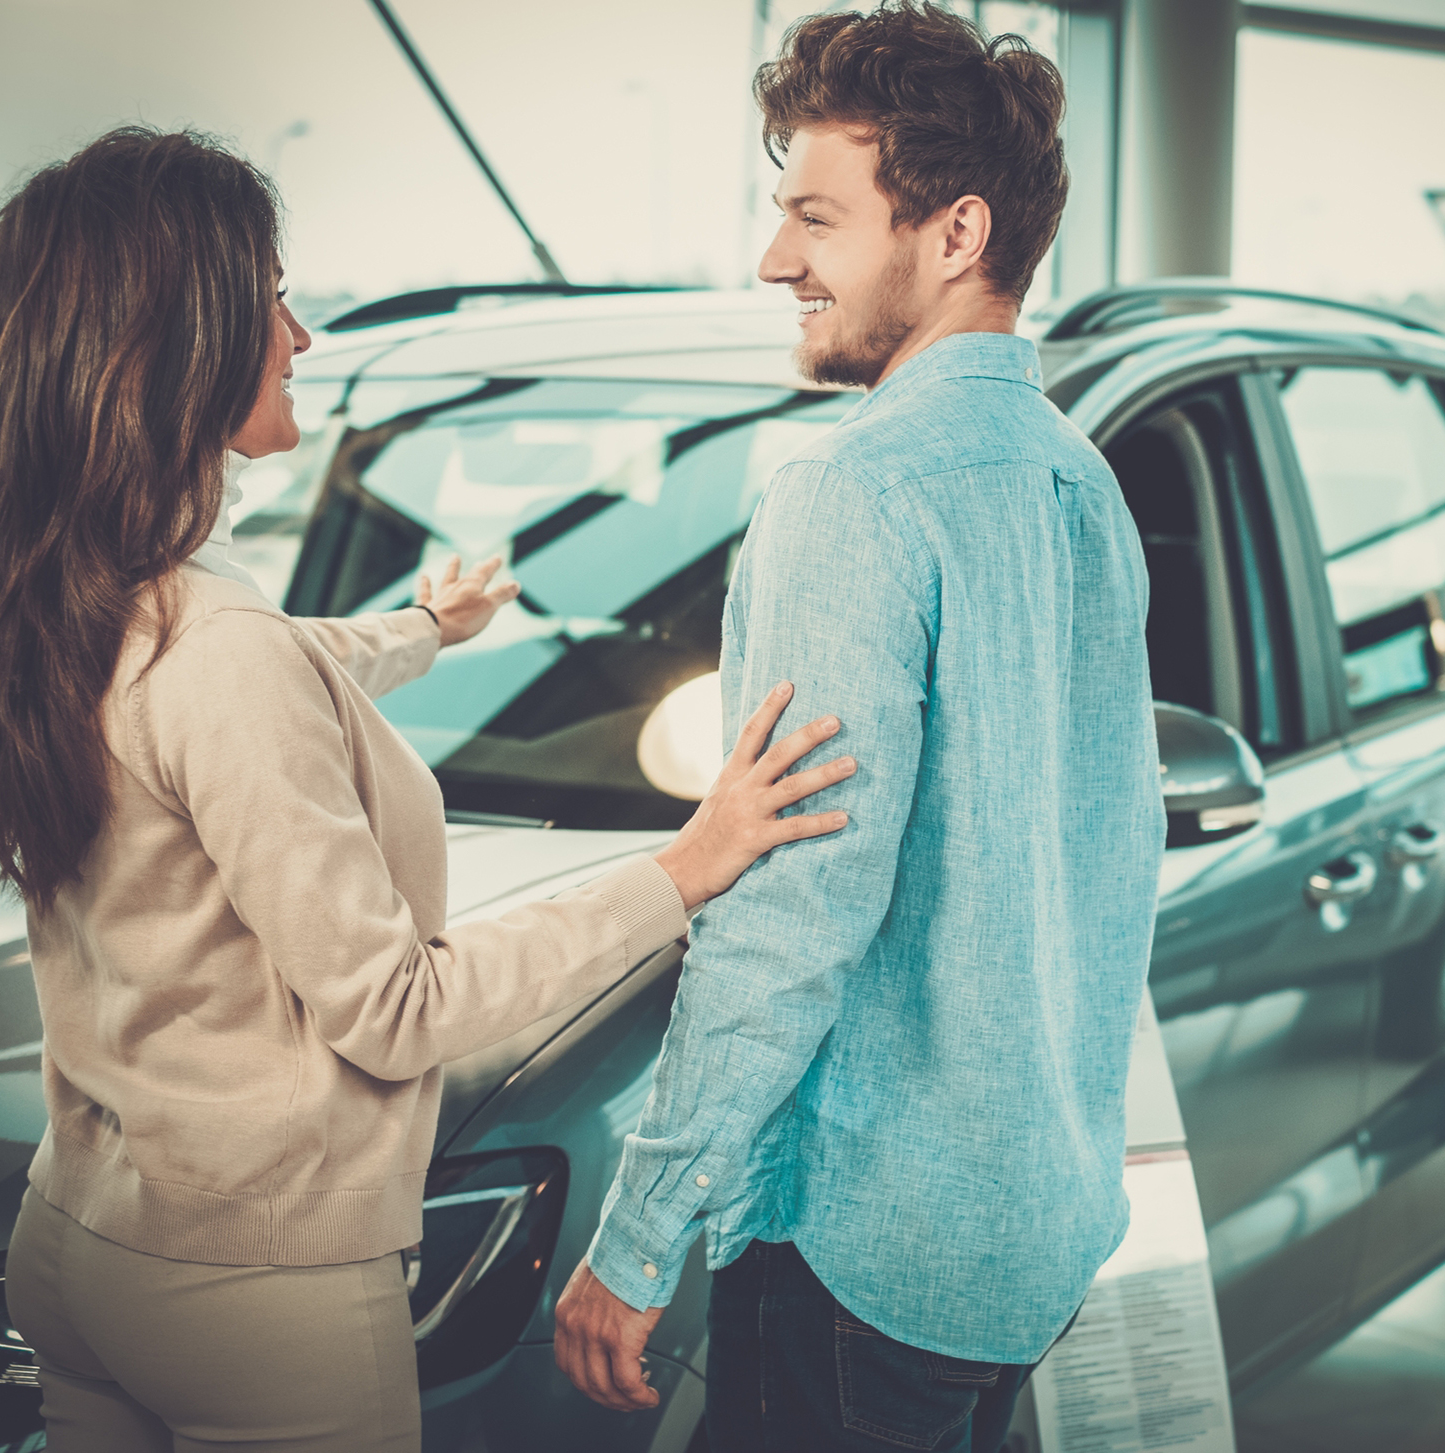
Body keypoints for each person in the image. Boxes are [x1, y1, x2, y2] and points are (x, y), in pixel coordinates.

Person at [0, 127, 854, 1453]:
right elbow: (397, 1010)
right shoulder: (219, 652)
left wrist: (427, 629)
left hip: (80, 1244)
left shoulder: (87, 601)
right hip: (250, 1292)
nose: (300, 335)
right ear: (177, 343)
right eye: (273, 298)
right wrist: (683, 867)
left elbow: (261, 677)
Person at [554, 6, 1164, 1449]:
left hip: (865, 1251)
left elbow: (793, 907)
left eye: (815, 217)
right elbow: (1111, 850)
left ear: (954, 234)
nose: (777, 259)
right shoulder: (1086, 487)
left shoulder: (853, 494)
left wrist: (636, 1234)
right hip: (1029, 1236)